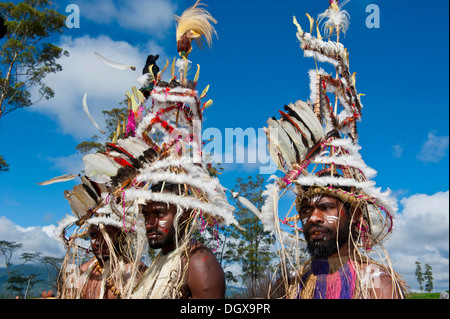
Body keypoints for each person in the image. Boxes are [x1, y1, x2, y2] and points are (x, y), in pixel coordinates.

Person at [254, 1, 407, 299]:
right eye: (307, 209)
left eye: (325, 208)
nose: (313, 218)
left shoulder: (377, 285)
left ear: (354, 214)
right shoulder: (293, 284)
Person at [134, 183, 226, 299]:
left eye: (159, 214)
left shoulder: (198, 261)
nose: (149, 224)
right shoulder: (162, 260)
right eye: (146, 216)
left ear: (185, 214)